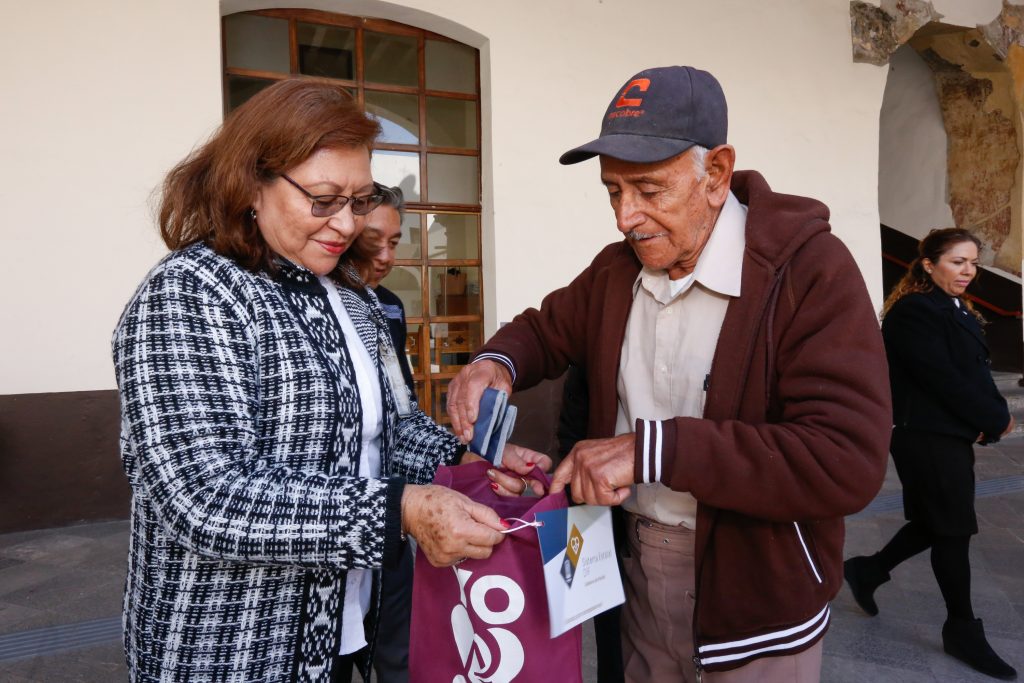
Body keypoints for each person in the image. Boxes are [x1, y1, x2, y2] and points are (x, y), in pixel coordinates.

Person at [446, 65, 892, 682]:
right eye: (612, 192)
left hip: (755, 602)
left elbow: (846, 460)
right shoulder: (616, 270)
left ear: (715, 174)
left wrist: (650, 451)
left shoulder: (807, 272)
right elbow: (546, 328)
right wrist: (495, 362)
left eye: (649, 191)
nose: (625, 217)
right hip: (628, 573)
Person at [111, 78, 542, 682]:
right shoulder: (190, 294)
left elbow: (392, 431)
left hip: (341, 627)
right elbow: (202, 497)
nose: (345, 223)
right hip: (231, 650)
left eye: (360, 200)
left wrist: (468, 459)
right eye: (322, 198)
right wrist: (399, 510)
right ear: (251, 184)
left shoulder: (351, 296)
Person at [844, 228, 1017, 681]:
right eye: (957, 262)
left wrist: (992, 415)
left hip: (946, 432)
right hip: (923, 435)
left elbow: (974, 373)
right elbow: (942, 378)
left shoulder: (956, 308)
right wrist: (994, 418)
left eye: (973, 263)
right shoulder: (915, 312)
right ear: (928, 264)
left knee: (936, 520)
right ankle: (961, 626)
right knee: (953, 528)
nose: (968, 271)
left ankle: (868, 569)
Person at [342, 185, 415, 683]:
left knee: (396, 652)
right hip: (344, 522)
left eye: (395, 241)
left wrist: (458, 453)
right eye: (374, 241)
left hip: (385, 511)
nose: (386, 256)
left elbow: (397, 404)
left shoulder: (382, 306)